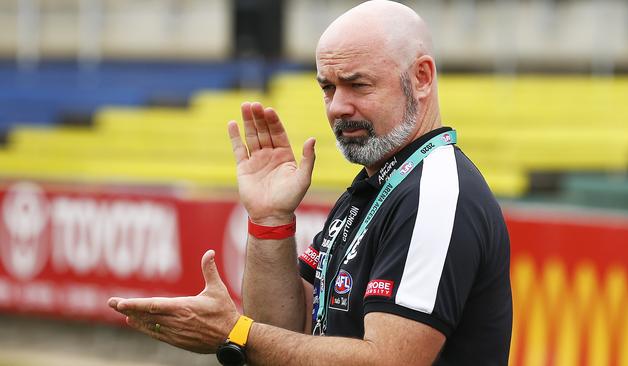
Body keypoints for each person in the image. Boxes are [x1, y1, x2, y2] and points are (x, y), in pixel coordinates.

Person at [108, 1, 512, 365]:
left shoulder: (436, 193)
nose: (337, 106)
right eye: (327, 87)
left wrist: (234, 333)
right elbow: (285, 329)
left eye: (358, 84)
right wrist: (270, 220)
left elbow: (390, 360)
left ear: (421, 78)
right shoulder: (373, 188)